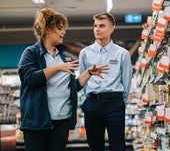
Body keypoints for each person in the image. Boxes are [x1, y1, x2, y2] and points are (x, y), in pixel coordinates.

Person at [17, 8, 109, 151]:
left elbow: (71, 87)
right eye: (60, 28)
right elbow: (30, 79)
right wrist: (58, 68)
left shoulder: (62, 56)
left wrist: (88, 73)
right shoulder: (31, 53)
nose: (64, 32)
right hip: (37, 122)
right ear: (47, 29)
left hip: (61, 121)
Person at [79, 12, 132, 151]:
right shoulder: (85, 53)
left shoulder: (122, 54)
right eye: (95, 26)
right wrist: (90, 98)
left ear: (112, 28)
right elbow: (82, 80)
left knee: (118, 146)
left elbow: (126, 82)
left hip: (115, 103)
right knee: (95, 146)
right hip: (92, 103)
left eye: (102, 26)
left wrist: (121, 102)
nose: (97, 29)